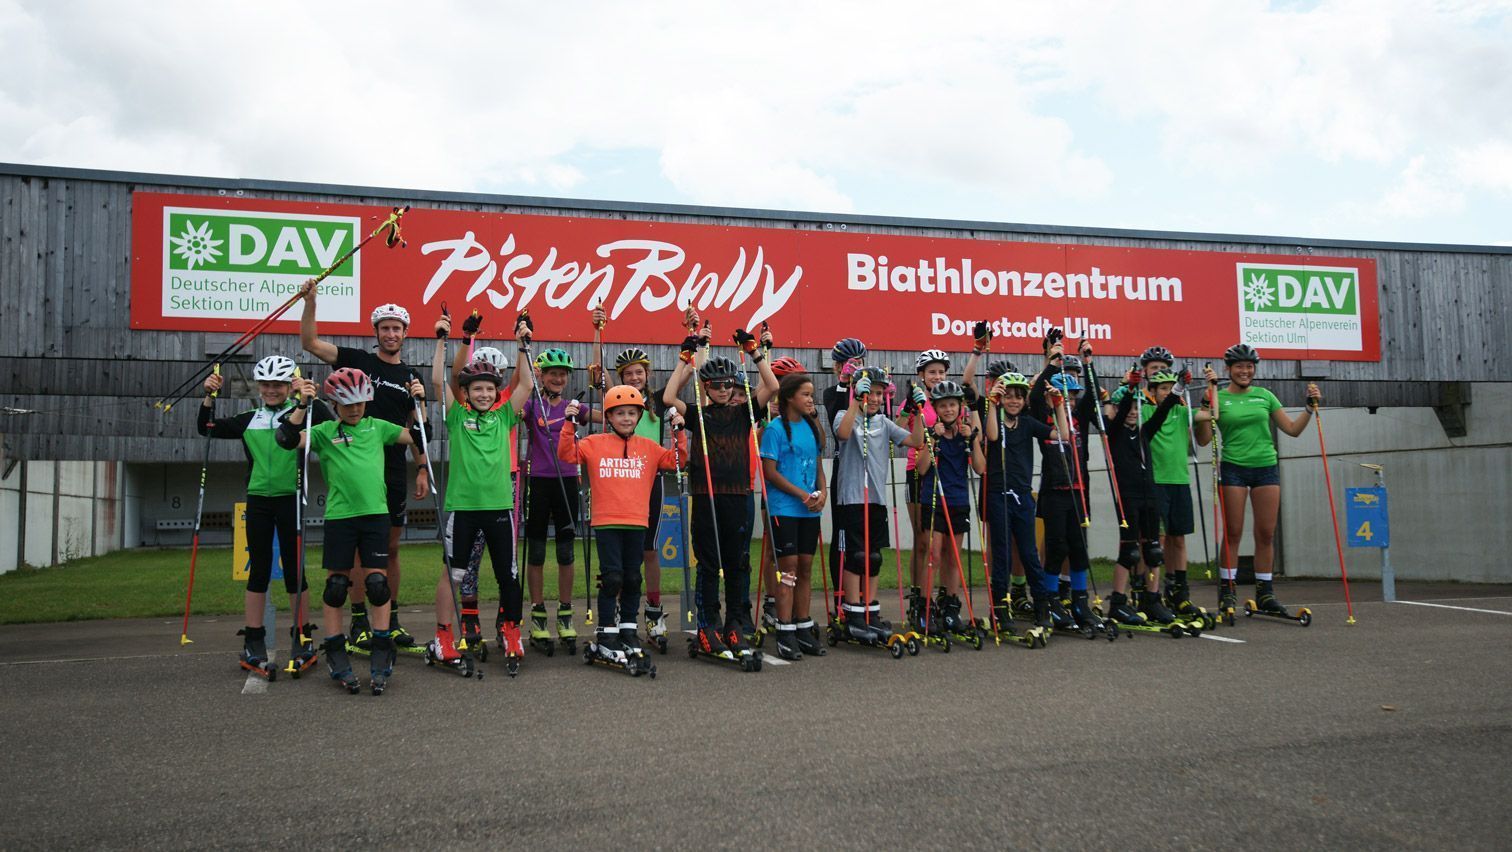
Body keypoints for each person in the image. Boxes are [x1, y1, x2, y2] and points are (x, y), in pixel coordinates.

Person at [277, 368, 425, 695]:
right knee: (335, 586)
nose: (354, 409)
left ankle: (382, 645)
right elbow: (286, 439)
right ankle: (334, 647)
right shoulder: (324, 431)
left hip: (376, 516)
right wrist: (303, 404)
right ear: (334, 403)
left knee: (377, 584)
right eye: (346, 404)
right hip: (341, 517)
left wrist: (418, 403)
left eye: (359, 402)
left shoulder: (377, 428)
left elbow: (419, 435)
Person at [300, 283, 429, 649]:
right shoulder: (358, 359)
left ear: (405, 333)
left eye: (397, 328)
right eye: (385, 328)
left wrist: (421, 468)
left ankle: (391, 619)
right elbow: (310, 342)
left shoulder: (410, 376)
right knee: (356, 551)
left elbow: (415, 426)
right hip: (354, 463)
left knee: (390, 549)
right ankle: (358, 620)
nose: (391, 334)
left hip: (392, 469)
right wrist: (311, 303)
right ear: (376, 333)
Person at [198, 356, 325, 676]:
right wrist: (209, 396)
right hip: (258, 502)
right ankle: (253, 639)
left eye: (278, 385)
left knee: (297, 573)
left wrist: (309, 396)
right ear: (258, 386)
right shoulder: (248, 417)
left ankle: (303, 637)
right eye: (266, 385)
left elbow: (328, 421)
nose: (271, 390)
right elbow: (207, 428)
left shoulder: (300, 414)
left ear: (287, 385)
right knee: (259, 571)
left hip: (291, 500)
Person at [662, 317, 778, 658]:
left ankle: (736, 625)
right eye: (715, 385)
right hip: (707, 495)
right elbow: (669, 396)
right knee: (710, 564)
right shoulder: (700, 414)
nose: (723, 390)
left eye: (728, 385)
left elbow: (771, 388)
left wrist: (753, 352)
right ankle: (707, 625)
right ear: (706, 387)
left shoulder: (744, 413)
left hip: (739, 496)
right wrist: (686, 359)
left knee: (738, 563)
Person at [429, 311, 535, 671]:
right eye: (478, 389)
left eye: (490, 389)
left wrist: (523, 345)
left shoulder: (505, 415)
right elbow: (436, 380)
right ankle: (443, 636)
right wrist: (443, 340)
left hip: (499, 506)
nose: (485, 394)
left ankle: (511, 630)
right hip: (463, 507)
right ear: (467, 393)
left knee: (508, 575)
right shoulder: (457, 416)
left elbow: (526, 386)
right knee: (454, 574)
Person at [560, 386, 686, 664]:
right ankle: (606, 632)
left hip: (637, 522)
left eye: (631, 413)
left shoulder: (649, 448)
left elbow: (677, 461)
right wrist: (569, 423)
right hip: (606, 522)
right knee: (612, 578)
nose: (626, 418)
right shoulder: (594, 443)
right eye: (620, 413)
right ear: (609, 416)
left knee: (632, 578)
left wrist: (678, 432)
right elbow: (567, 454)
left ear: (639, 416)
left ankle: (628, 629)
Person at [1204, 345, 1320, 616]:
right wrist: (1207, 403)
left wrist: (1309, 408)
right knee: (1233, 532)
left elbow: (1291, 430)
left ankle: (1265, 593)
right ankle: (1228, 592)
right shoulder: (1218, 396)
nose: (1245, 371)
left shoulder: (1265, 395)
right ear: (1228, 369)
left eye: (1249, 367)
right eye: (1239, 367)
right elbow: (1203, 438)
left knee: (1265, 534)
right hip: (1233, 467)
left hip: (1266, 467)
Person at [589, 307, 679, 648]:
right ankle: (615, 616)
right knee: (619, 559)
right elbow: (598, 374)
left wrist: (691, 336)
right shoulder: (618, 400)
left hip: (649, 481)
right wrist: (597, 329)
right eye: (627, 374)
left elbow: (682, 378)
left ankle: (653, 610)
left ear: (647, 374)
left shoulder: (656, 402)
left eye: (639, 373)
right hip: (618, 484)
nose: (634, 379)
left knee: (648, 550)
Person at [832, 366, 925, 644]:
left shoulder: (884, 423)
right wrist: (854, 402)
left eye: (878, 393)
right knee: (855, 557)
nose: (873, 398)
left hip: (876, 500)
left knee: (873, 557)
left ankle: (870, 610)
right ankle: (853, 612)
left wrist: (918, 412)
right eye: (869, 392)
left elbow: (916, 441)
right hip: (851, 498)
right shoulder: (844, 415)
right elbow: (844, 434)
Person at [521, 347, 597, 654]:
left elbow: (608, 418)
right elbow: (513, 410)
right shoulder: (531, 405)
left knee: (566, 552)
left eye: (563, 374)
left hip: (567, 481)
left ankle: (566, 614)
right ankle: (538, 616)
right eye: (553, 373)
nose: (558, 378)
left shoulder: (572, 406)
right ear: (541, 375)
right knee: (536, 551)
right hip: (538, 482)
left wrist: (607, 389)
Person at [1131, 345, 1214, 621]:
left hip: (1179, 480)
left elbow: (1209, 416)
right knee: (1155, 539)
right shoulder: (1142, 409)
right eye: (1159, 382)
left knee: (1177, 538)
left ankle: (1179, 592)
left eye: (1169, 383)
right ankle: (1146, 593)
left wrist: (1208, 393)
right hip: (1154, 482)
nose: (1165, 388)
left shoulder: (1181, 410)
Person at [978, 370, 1063, 632]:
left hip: (1023, 496)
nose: (1013, 401)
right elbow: (991, 436)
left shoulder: (1027, 423)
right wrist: (992, 404)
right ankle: (1000, 609)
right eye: (1009, 397)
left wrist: (1058, 406)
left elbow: (1063, 436)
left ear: (1025, 400)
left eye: (1018, 397)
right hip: (997, 494)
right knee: (1001, 553)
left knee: (1029, 553)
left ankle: (1041, 605)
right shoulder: (993, 419)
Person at [1028, 332, 1102, 632]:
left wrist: (1089, 362)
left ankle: (1081, 602)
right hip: (1054, 490)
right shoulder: (1045, 416)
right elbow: (1033, 397)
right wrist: (1051, 362)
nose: (1068, 401)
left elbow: (1094, 395)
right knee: (1056, 547)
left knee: (1079, 547)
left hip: (1079, 489)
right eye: (1063, 396)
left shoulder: (1080, 417)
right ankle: (1050, 600)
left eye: (1072, 396)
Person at [1101, 368, 1183, 626]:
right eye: (1129, 408)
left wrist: (1179, 387)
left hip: (1149, 497)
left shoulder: (1144, 432)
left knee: (1154, 551)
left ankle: (1152, 599)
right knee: (1130, 553)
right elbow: (1122, 410)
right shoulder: (1113, 434)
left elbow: (1162, 410)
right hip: (1128, 499)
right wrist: (1131, 391)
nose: (1134, 412)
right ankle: (1117, 602)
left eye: (1137, 407)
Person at [759, 372, 827, 660]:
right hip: (784, 509)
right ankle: (784, 629)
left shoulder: (811, 429)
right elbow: (770, 472)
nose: (811, 399)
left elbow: (819, 465)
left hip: (809, 510)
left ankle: (802, 626)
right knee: (789, 568)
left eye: (811, 394)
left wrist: (821, 493)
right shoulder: (775, 430)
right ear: (789, 398)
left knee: (806, 567)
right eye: (806, 395)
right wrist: (801, 494)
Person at [911, 380, 986, 636]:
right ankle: (924, 607)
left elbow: (980, 468)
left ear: (960, 406)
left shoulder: (966, 434)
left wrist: (973, 439)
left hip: (958, 501)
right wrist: (932, 439)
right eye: (943, 406)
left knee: (953, 558)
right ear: (937, 408)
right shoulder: (934, 433)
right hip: (933, 500)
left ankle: (951, 608)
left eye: (952, 404)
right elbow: (921, 469)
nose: (948, 410)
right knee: (933, 556)